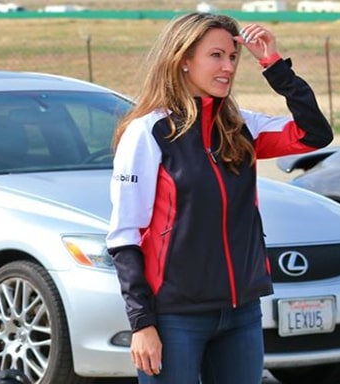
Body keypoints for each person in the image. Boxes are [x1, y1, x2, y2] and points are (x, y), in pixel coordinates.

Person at [106, 12, 333, 383]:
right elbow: (124, 235)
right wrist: (142, 324)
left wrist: (273, 65)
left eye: (232, 57)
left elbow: (315, 134)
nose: (228, 66)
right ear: (183, 61)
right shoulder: (148, 132)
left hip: (241, 313)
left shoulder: (242, 127)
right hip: (175, 317)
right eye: (216, 56)